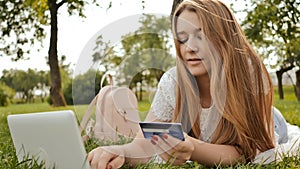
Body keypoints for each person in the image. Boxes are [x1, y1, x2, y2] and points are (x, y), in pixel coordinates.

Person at [87, 0, 300, 168]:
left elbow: (250, 153)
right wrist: (121, 152)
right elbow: (147, 141)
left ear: (223, 38)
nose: (189, 47)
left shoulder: (249, 74)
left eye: (201, 36)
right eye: (182, 38)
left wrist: (193, 147)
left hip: (274, 124)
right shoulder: (173, 82)